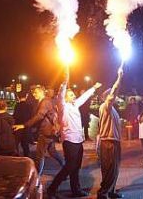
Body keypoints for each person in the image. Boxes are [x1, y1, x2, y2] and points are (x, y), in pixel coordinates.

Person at [47, 69, 102, 198]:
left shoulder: (74, 105)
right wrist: (65, 82)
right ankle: (52, 189)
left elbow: (84, 97)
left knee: (75, 167)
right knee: (69, 166)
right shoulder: (63, 106)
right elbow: (60, 94)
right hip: (69, 141)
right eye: (71, 95)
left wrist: (93, 87)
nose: (74, 96)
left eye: (73, 95)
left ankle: (76, 190)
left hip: (78, 140)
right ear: (66, 97)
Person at [13, 85, 64, 176]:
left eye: (35, 92)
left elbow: (40, 115)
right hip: (49, 131)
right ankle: (65, 168)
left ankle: (36, 177)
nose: (34, 94)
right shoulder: (44, 101)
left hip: (46, 132)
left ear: (41, 92)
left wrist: (24, 125)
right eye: (32, 93)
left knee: (39, 155)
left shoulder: (45, 101)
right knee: (52, 152)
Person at [97, 69, 124, 199]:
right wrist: (119, 77)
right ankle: (103, 194)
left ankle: (110, 191)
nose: (116, 97)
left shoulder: (112, 109)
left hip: (114, 142)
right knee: (109, 169)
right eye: (113, 96)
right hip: (108, 142)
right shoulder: (106, 106)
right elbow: (113, 92)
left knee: (114, 169)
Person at [13, 91, 33, 157]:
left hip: (18, 127)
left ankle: (16, 157)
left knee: (16, 144)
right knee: (25, 144)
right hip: (26, 126)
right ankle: (27, 158)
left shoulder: (17, 105)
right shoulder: (29, 105)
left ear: (18, 97)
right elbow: (31, 116)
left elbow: (15, 116)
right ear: (26, 96)